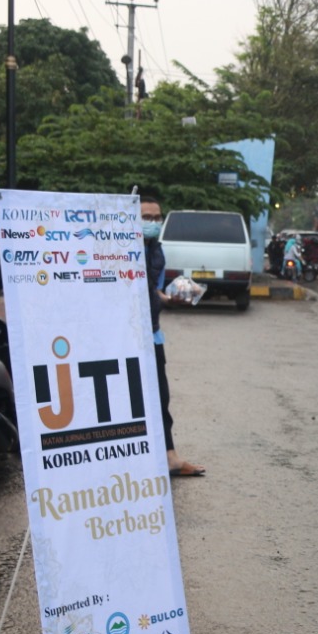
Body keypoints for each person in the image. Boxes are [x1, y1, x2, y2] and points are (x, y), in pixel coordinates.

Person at [140, 195, 206, 478]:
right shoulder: (116, 251)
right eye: (146, 217)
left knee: (160, 397)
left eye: (157, 217)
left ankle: (170, 458)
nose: (153, 222)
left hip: (152, 334)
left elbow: (155, 291)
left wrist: (171, 298)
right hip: (122, 338)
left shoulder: (157, 250)